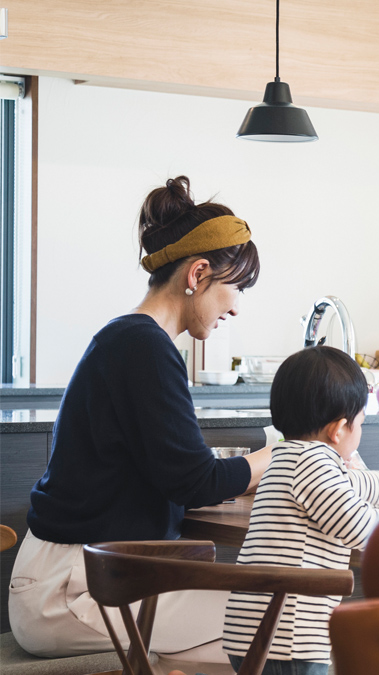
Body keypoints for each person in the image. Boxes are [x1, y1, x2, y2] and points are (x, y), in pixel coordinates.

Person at [11, 176, 273, 659]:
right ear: (196, 275)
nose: (235, 308)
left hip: (86, 575)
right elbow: (194, 480)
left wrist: (238, 469)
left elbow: (174, 467)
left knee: (247, 631)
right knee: (275, 626)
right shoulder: (143, 346)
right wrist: (275, 458)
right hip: (71, 590)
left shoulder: (134, 340)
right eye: (234, 288)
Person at [222, 346, 379, 674]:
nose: (360, 432)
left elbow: (352, 484)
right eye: (360, 423)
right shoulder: (315, 467)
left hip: (254, 630)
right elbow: (358, 528)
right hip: (290, 635)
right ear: (339, 430)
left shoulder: (287, 458)